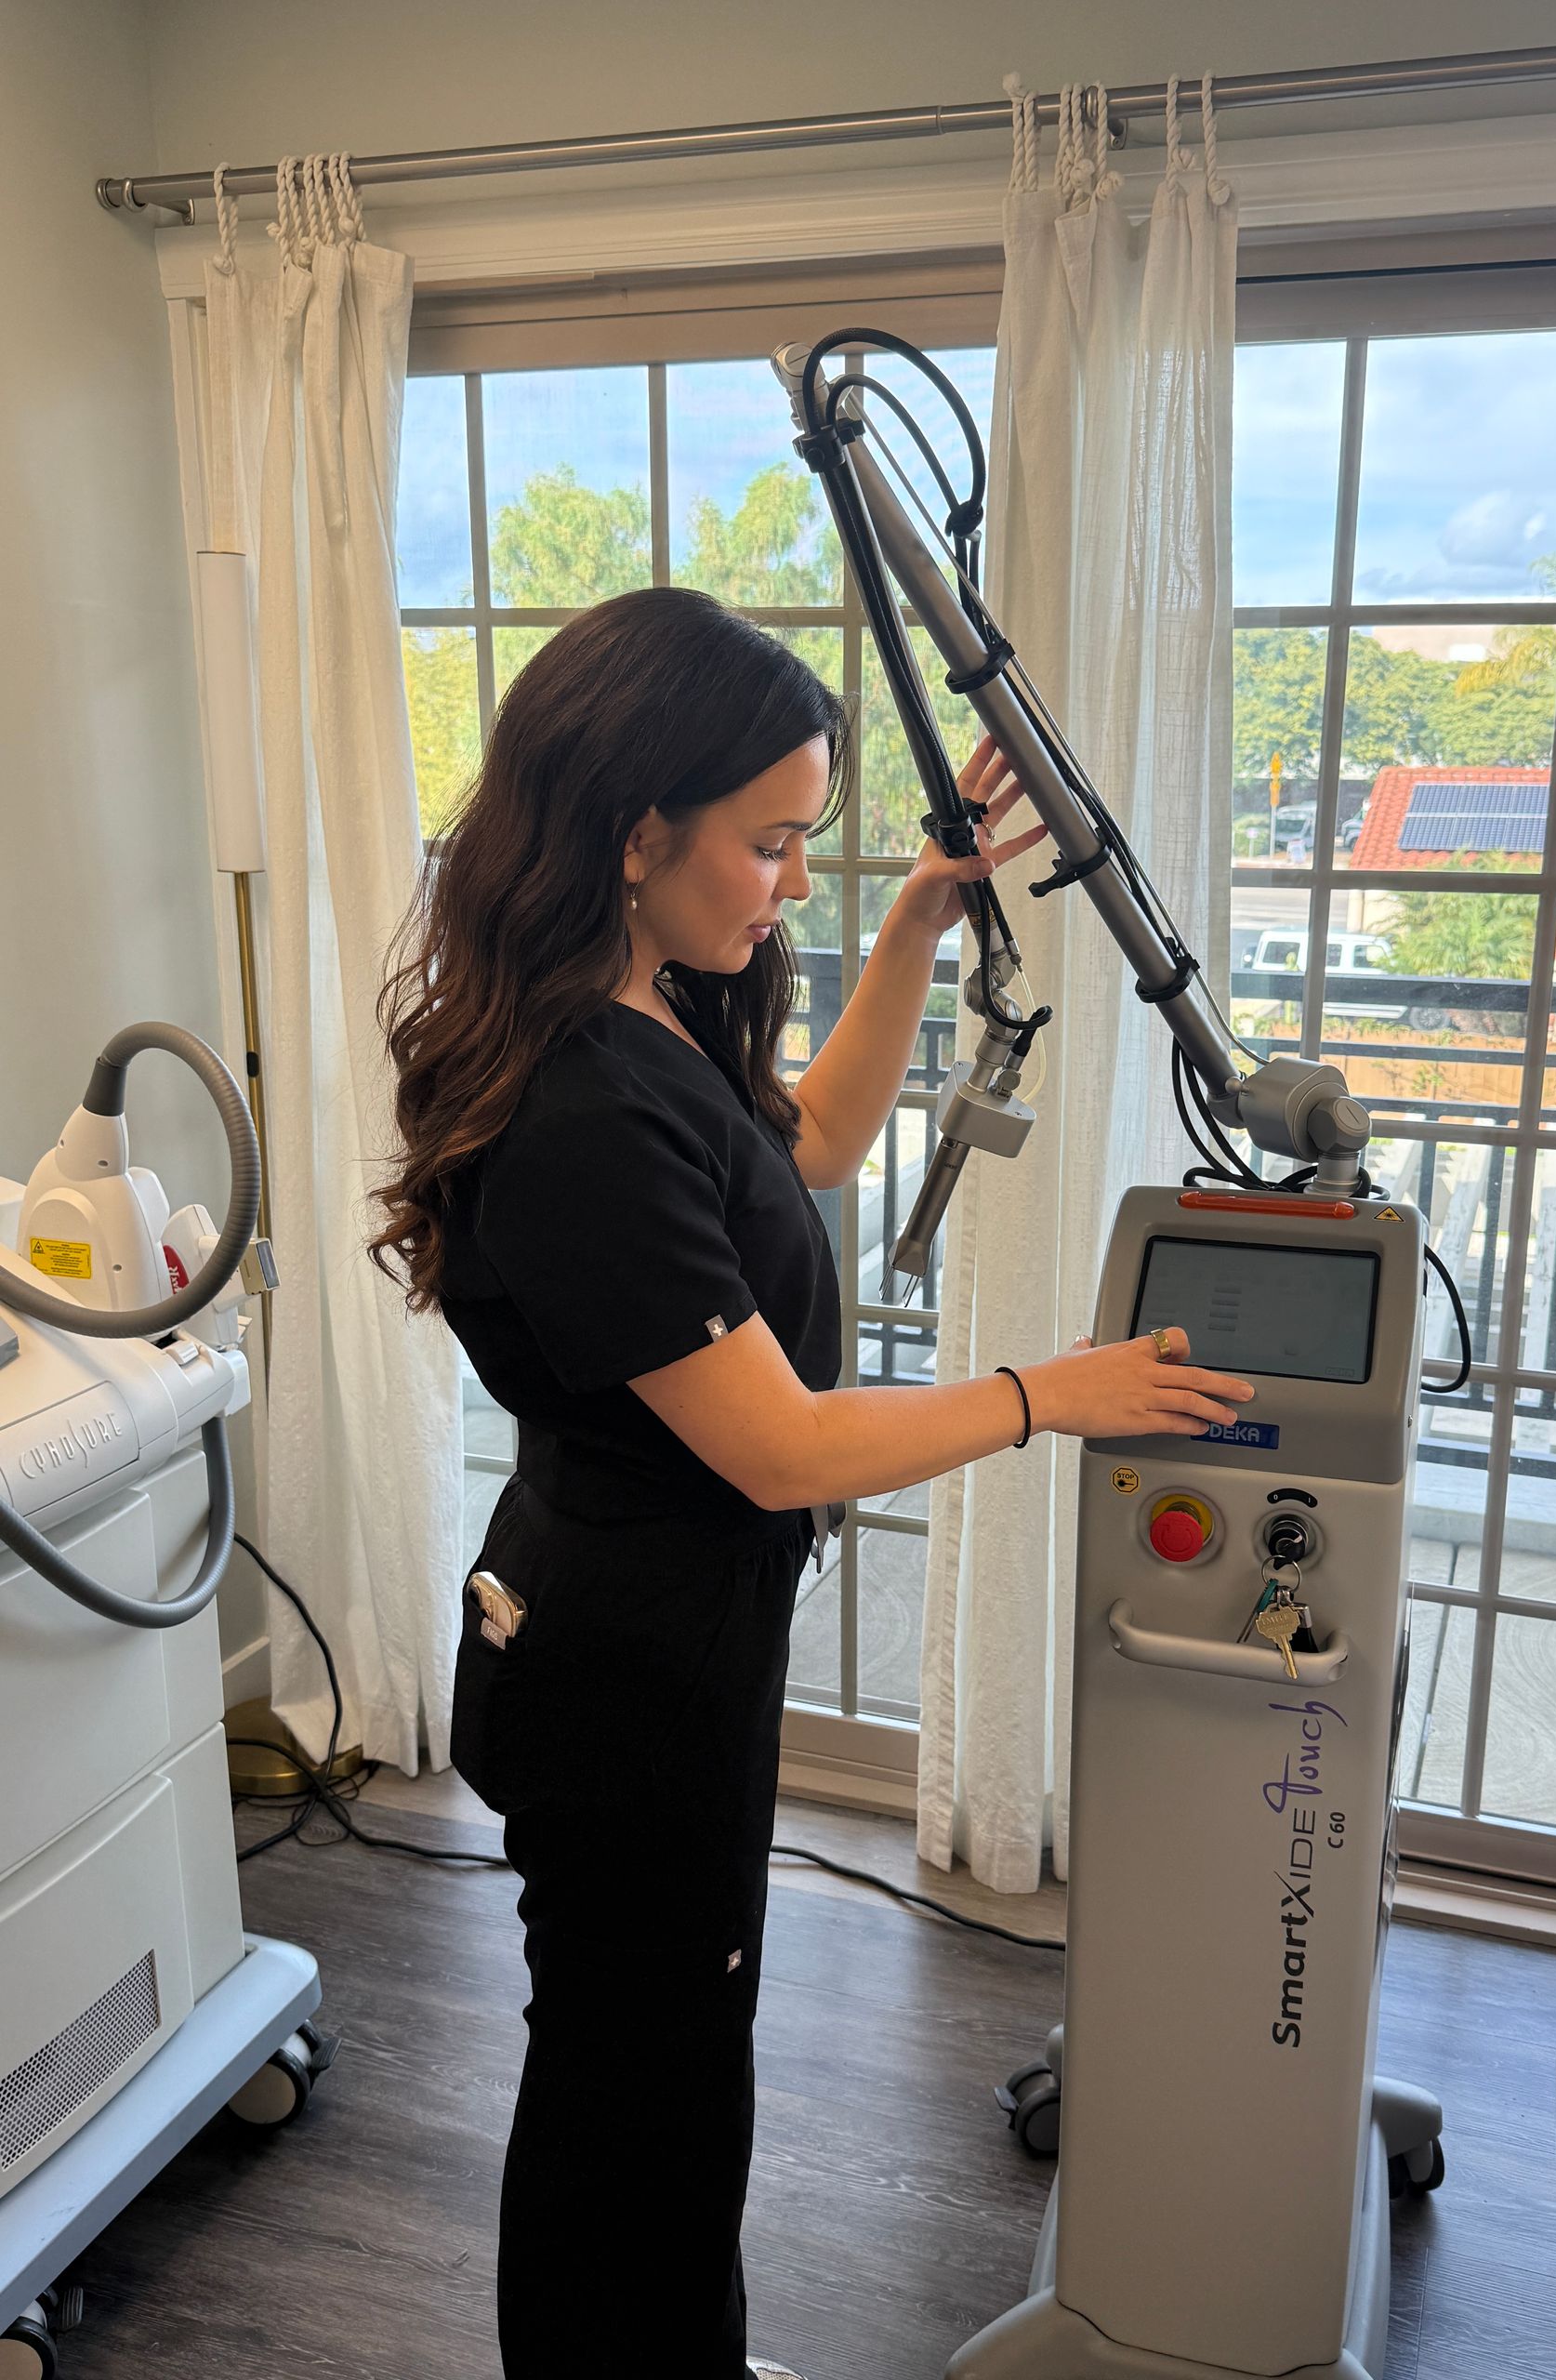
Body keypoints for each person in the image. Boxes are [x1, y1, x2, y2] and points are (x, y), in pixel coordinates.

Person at [369, 586, 1253, 2379]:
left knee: (659, 2072)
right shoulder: (583, 1109)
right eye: (768, 843)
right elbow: (782, 1446)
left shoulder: (656, 1017)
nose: (786, 879)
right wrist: (1049, 1393)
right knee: (646, 2089)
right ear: (638, 832)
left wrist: (920, 922)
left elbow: (819, 1144)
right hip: (625, 1678)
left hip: (639, 1636)